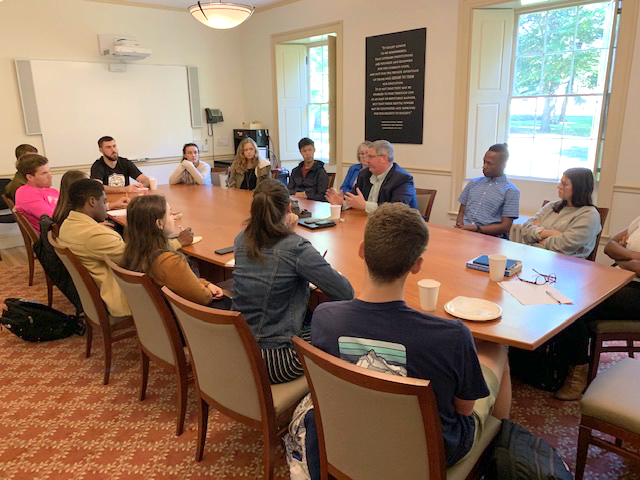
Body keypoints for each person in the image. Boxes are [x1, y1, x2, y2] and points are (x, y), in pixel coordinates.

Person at [310, 203, 511, 468]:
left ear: (362, 251)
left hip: (350, 435)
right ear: (417, 265)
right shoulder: (452, 336)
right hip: (428, 455)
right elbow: (464, 409)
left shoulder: (324, 317)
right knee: (498, 349)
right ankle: (501, 446)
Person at [232, 179, 354, 384]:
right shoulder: (295, 247)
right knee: (335, 331)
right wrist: (291, 233)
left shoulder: (241, 239)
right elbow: (345, 293)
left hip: (240, 351)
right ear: (289, 208)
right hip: (277, 361)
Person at [58, 179, 193, 318]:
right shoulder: (95, 235)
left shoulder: (67, 225)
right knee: (178, 274)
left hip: (103, 289)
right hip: (122, 295)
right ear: (92, 202)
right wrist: (178, 242)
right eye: (104, 201)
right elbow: (138, 259)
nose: (106, 207)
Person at [553, 214, 640, 400]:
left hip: (637, 291)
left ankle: (577, 374)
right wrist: (632, 259)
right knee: (568, 290)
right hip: (621, 278)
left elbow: (634, 265)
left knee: (578, 304)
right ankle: (557, 363)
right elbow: (610, 247)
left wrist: (624, 256)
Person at [121, 195, 230, 309]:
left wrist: (205, 284)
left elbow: (181, 279)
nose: (173, 218)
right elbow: (203, 298)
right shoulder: (168, 261)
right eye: (169, 214)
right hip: (189, 319)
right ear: (159, 224)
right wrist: (206, 289)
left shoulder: (135, 251)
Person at [520, 168, 601, 258]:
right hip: (534, 255)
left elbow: (564, 245)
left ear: (579, 188)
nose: (559, 186)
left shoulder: (589, 215)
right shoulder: (551, 206)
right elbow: (525, 230)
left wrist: (538, 236)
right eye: (560, 182)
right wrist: (551, 233)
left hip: (566, 265)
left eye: (564, 184)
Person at [325, 139, 418, 212]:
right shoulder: (364, 174)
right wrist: (341, 204)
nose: (367, 160)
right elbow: (354, 199)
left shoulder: (403, 179)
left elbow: (396, 210)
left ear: (384, 158)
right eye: (366, 156)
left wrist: (365, 206)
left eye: (371, 157)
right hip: (368, 223)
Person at [455, 144, 519, 238]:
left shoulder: (510, 191)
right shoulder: (473, 183)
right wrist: (459, 227)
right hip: (464, 234)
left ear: (503, 165)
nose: (484, 166)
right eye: (484, 162)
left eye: (490, 163)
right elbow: (462, 211)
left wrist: (476, 229)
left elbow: (505, 227)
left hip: (490, 239)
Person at [14, 153, 59, 233]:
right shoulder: (25, 194)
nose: (50, 176)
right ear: (30, 177)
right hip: (54, 237)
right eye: (44, 173)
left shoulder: (50, 190)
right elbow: (53, 217)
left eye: (49, 171)